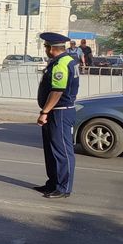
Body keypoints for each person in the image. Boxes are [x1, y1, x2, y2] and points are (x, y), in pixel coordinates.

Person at [34, 32, 79, 199]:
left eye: (46, 46)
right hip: (56, 111)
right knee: (51, 150)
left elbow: (57, 91)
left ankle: (63, 187)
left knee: (62, 151)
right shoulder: (64, 61)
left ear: (52, 48)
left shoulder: (61, 64)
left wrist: (44, 112)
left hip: (60, 111)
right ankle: (53, 183)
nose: (45, 49)